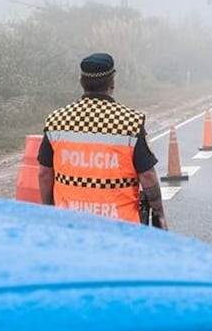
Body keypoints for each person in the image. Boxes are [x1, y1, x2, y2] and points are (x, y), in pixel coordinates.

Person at [36, 52, 168, 230]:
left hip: (69, 225)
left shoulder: (57, 120)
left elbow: (44, 173)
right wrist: (159, 214)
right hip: (120, 228)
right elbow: (147, 176)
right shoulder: (130, 122)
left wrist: (49, 211)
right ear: (112, 83)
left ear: (82, 82)